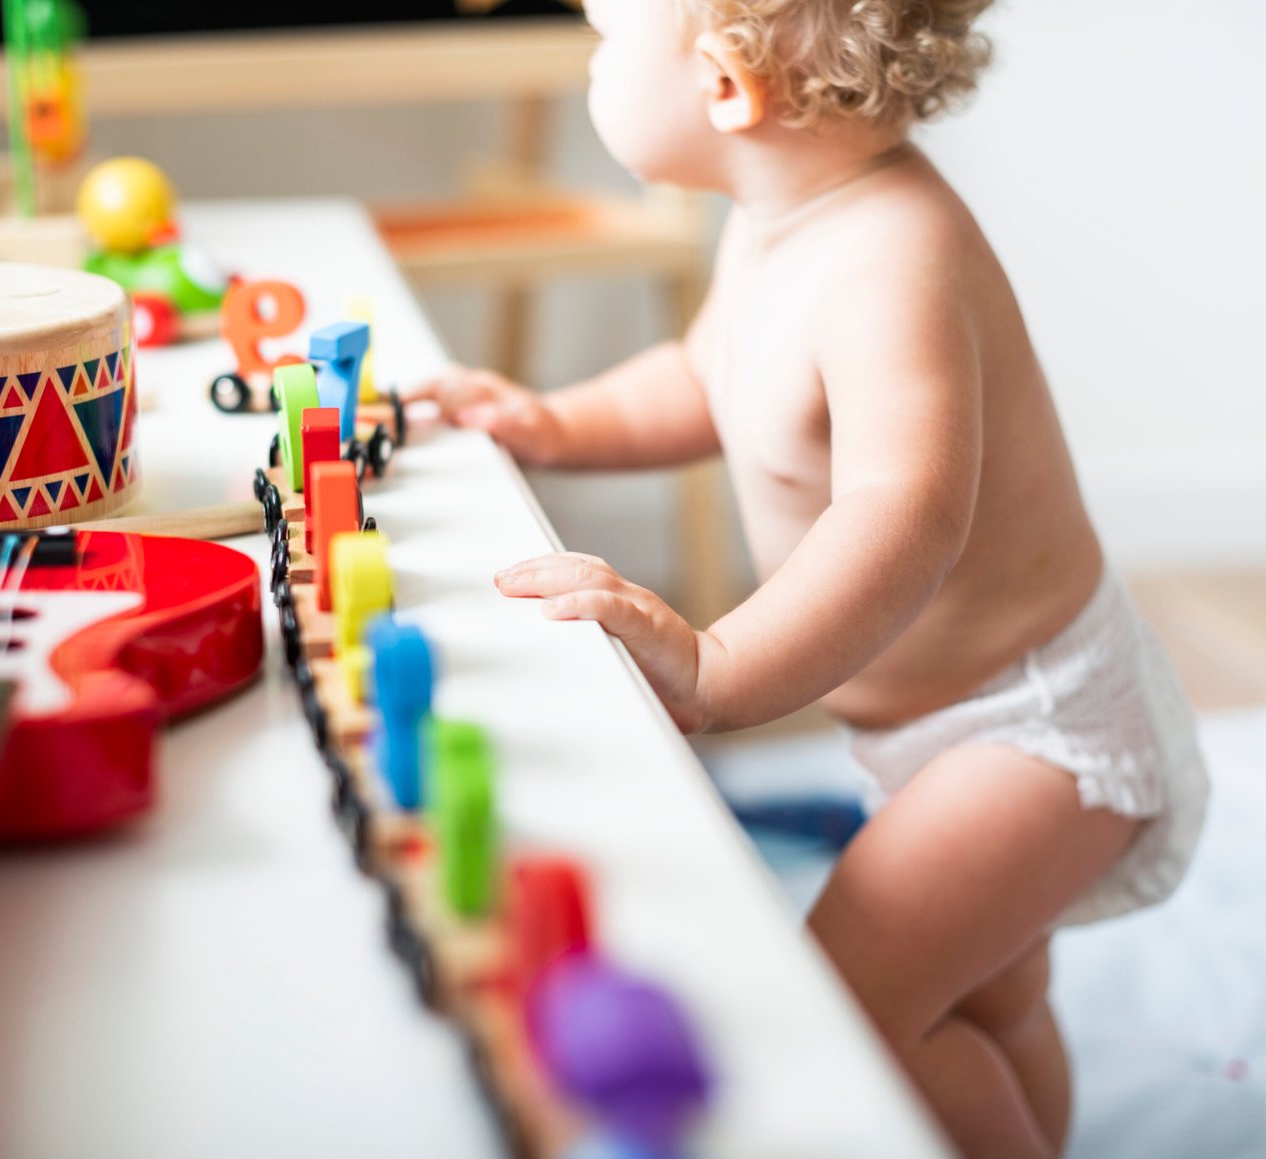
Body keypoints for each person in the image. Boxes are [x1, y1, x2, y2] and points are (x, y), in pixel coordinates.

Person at [410, 2, 1209, 1154]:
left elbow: (903, 512)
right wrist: (554, 421)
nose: (590, 52)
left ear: (727, 85)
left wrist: (715, 666)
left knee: (849, 1010)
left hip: (1032, 730)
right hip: (942, 724)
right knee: (986, 995)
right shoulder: (780, 219)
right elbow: (706, 375)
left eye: (604, 37)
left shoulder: (896, 258)